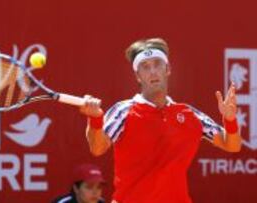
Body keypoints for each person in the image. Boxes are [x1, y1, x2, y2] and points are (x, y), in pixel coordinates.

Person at [79, 38, 242, 203]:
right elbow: (98, 148)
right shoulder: (123, 112)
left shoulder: (190, 115)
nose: (153, 72)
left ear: (168, 69)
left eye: (157, 64)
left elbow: (232, 145)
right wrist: (95, 120)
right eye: (145, 67)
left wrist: (230, 119)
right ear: (137, 75)